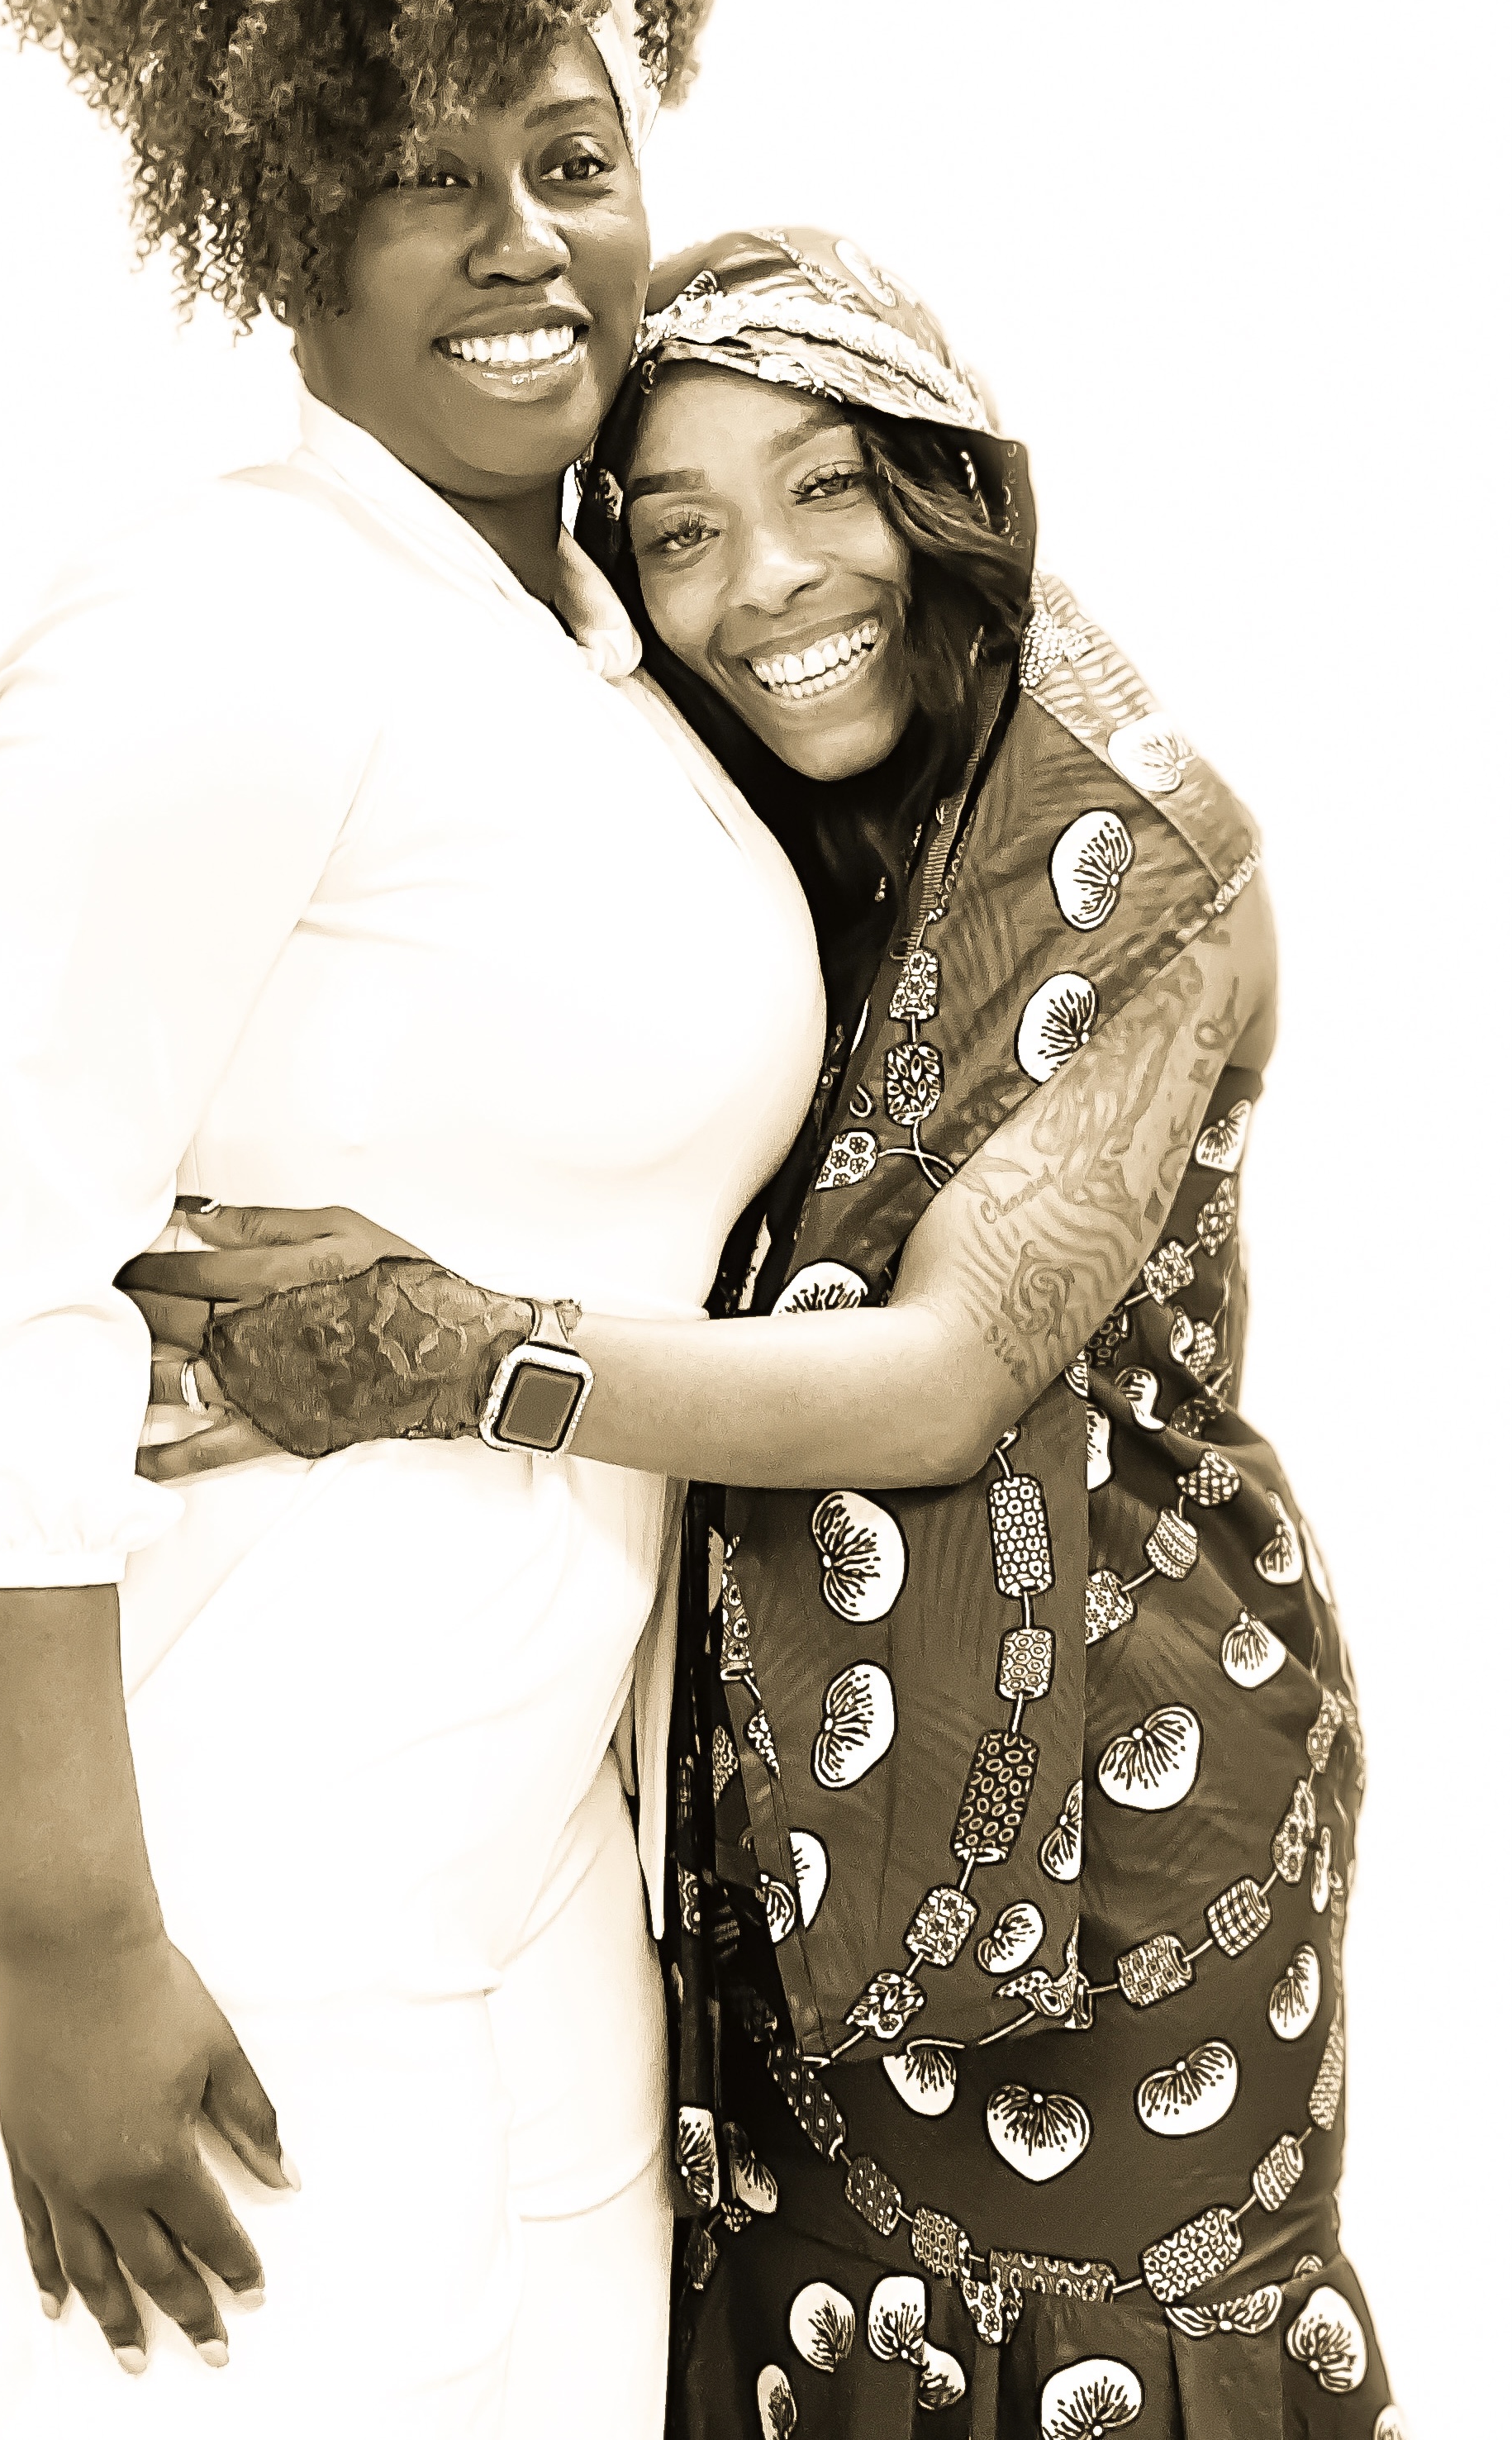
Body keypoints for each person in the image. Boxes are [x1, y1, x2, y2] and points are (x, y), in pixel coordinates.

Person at [0, 0, 820, 2435]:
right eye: (412, 177)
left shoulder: (602, 655)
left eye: (569, 158)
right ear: (276, 223)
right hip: (245, 1890)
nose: (519, 244)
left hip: (537, 1882)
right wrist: (71, 1947)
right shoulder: (224, 621)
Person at [137, 229, 1398, 2436]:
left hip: (1132, 1830)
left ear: (945, 489)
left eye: (826, 486)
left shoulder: (1139, 854)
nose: (772, 583)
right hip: (796, 1830)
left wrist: (443, 1351)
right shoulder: (747, 851)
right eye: (679, 530)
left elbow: (937, 1380)